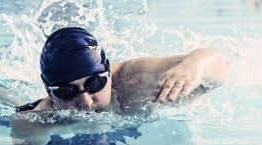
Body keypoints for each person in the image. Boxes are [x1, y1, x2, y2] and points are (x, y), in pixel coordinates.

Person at [15, 26, 228, 114]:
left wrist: (193, 66)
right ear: (49, 90)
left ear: (107, 71)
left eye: (95, 84)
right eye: (67, 92)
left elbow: (220, 66)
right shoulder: (43, 114)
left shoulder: (135, 80)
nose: (86, 102)